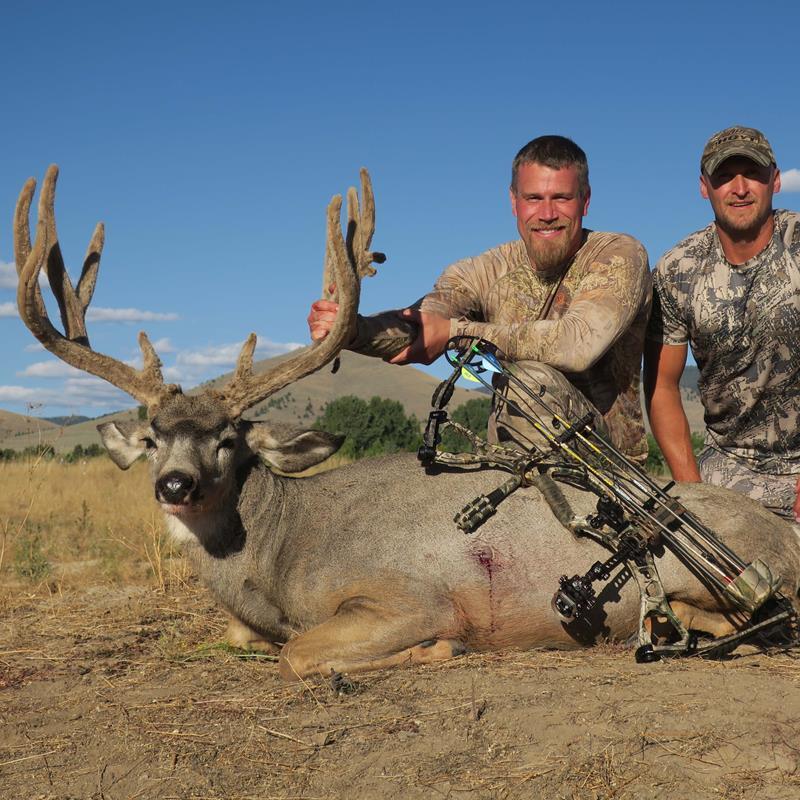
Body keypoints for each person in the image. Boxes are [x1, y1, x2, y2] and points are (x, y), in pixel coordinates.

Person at [309, 135, 651, 461]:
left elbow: (576, 345)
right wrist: (355, 330)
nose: (547, 213)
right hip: (512, 460)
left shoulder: (618, 255)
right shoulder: (482, 271)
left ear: (585, 200)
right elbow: (424, 324)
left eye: (561, 197)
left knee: (530, 382)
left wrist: (456, 333)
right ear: (514, 202)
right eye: (533, 198)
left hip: (610, 465)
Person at [645, 125, 800, 522]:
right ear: (705, 187)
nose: (740, 188)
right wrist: (694, 494)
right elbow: (662, 386)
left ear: (775, 180)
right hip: (727, 467)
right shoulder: (677, 269)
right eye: (725, 176)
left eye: (753, 174)